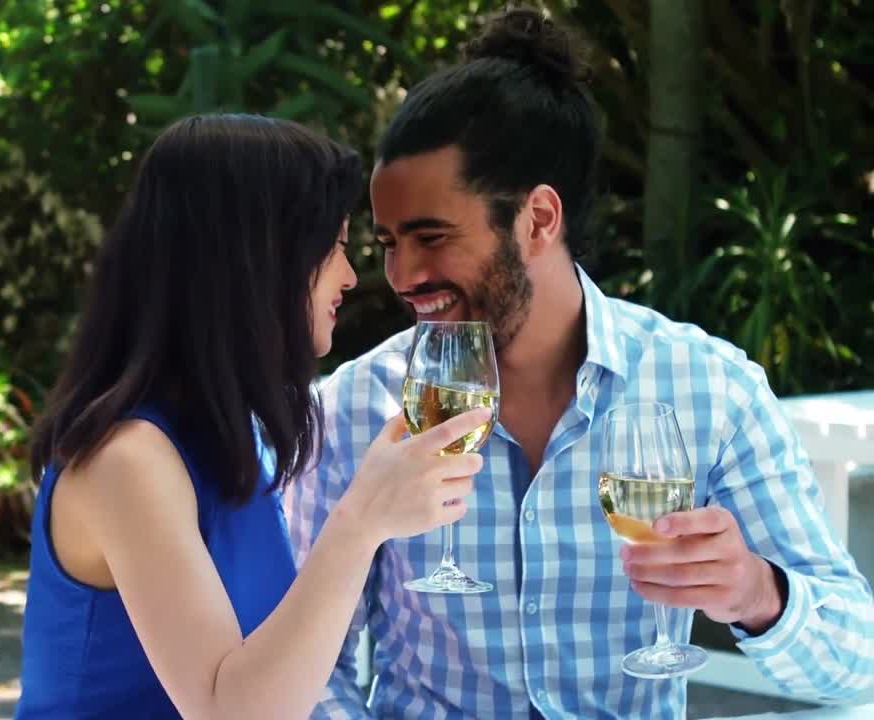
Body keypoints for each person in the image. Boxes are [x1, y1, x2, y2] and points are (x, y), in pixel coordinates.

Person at [285, 7, 874, 719]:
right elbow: (308, 674)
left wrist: (757, 593)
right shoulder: (355, 409)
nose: (404, 274)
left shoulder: (708, 388)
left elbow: (853, 661)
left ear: (538, 218)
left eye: (432, 237)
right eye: (387, 242)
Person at [14, 113, 491, 719]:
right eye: (335, 247)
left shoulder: (231, 434)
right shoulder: (127, 459)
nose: (350, 276)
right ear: (255, 257)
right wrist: (360, 522)